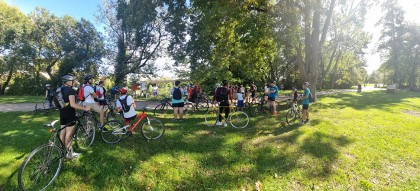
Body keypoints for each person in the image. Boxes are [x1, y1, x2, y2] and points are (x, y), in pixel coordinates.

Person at [59, 75, 91, 159]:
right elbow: (73, 105)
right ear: (68, 81)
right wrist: (85, 108)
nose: (73, 82)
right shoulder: (71, 90)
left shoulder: (60, 89)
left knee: (62, 132)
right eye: (72, 81)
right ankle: (69, 154)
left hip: (62, 113)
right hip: (69, 113)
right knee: (69, 135)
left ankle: (61, 150)